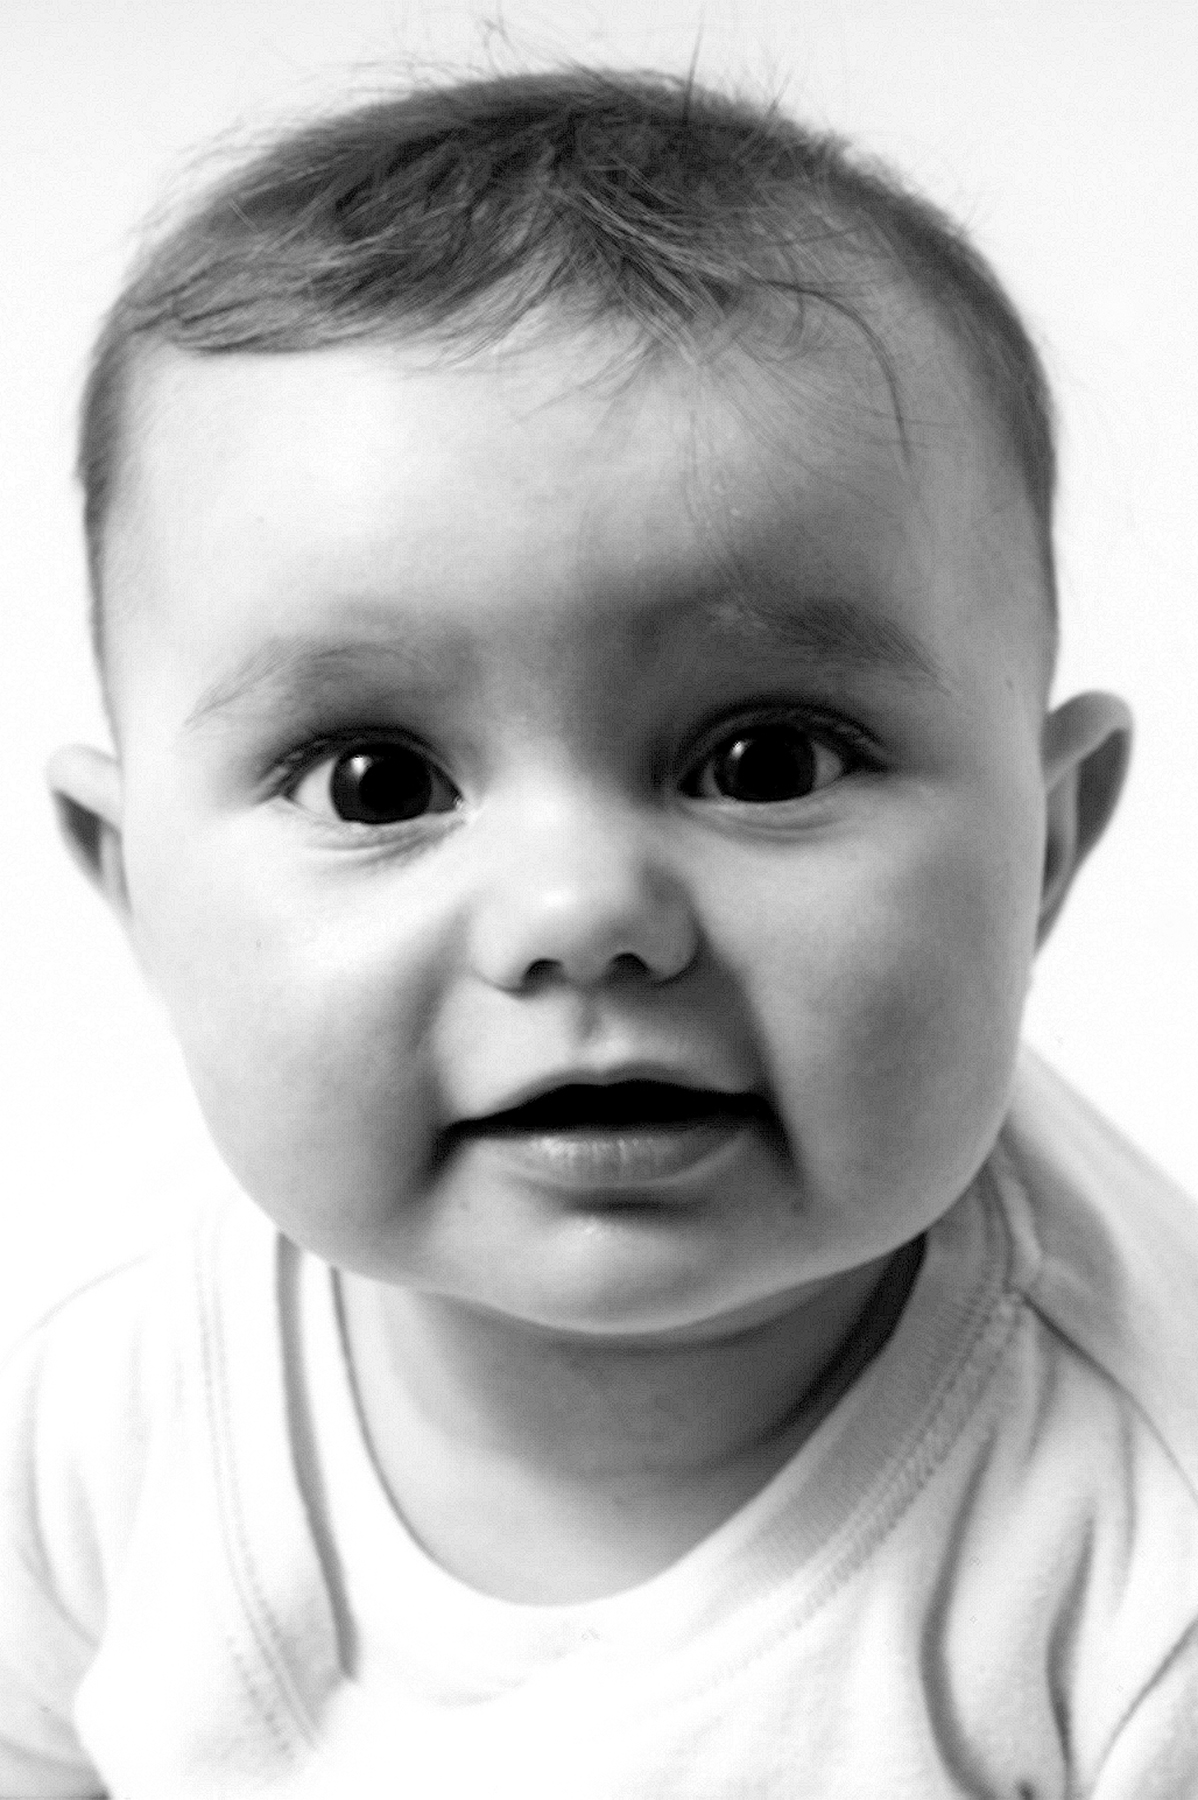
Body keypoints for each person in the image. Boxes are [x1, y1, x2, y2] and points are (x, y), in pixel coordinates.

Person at [4, 66, 1196, 1798]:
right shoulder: (98, 1415)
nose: (581, 918)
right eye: (373, 779)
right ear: (135, 890)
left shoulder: (1131, 1554)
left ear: (1047, 846)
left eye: (763, 759)